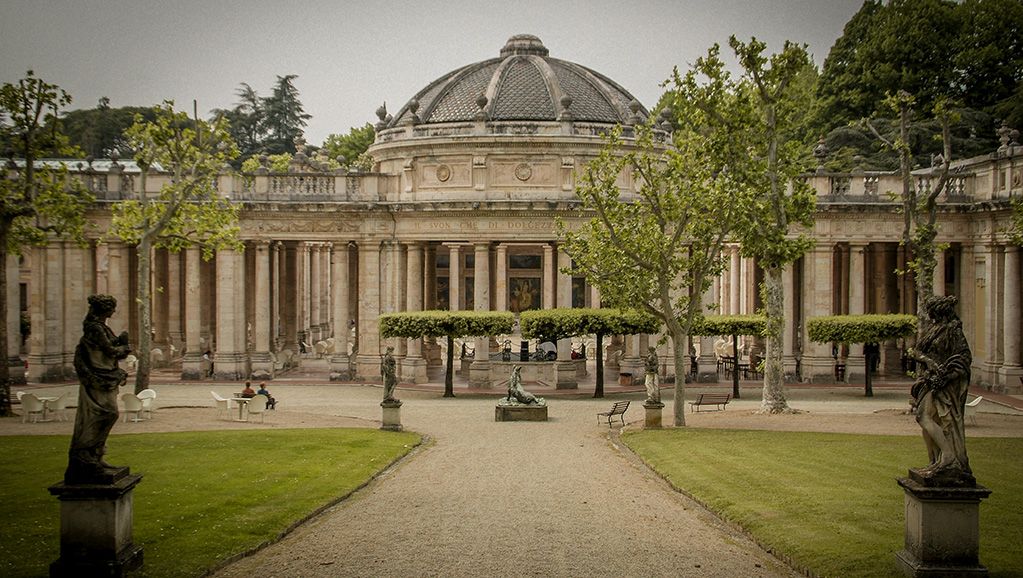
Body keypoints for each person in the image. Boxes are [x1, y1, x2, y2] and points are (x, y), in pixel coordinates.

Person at [65, 294, 131, 484]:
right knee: (105, 413)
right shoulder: (94, 328)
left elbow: (109, 347)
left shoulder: (101, 328)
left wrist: (120, 341)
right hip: (99, 377)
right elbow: (110, 351)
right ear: (104, 309)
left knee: (107, 414)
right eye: (111, 308)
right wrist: (124, 346)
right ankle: (85, 458)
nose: (113, 311)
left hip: (106, 375)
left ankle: (95, 457)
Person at [909, 295, 973, 485]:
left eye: (931, 311)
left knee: (924, 416)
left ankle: (948, 456)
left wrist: (948, 375)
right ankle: (935, 461)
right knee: (927, 418)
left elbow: (964, 357)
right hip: (929, 379)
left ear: (939, 311)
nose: (929, 314)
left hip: (944, 383)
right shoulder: (933, 329)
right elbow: (916, 351)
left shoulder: (954, 331)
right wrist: (928, 361)